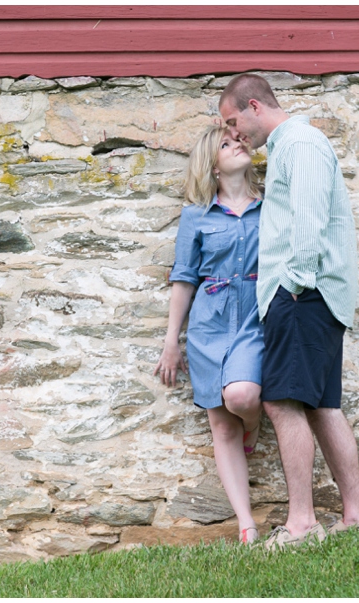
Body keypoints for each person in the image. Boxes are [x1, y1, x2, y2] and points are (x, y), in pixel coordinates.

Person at [218, 73, 359, 551]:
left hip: (302, 295)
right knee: (324, 406)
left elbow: (307, 223)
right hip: (311, 296)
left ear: (253, 106)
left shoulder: (301, 144)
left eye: (233, 121)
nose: (234, 134)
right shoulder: (291, 146)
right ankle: (358, 515)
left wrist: (290, 288)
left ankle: (303, 523)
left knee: (281, 402)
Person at [154, 125, 265, 545]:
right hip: (208, 324)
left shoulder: (268, 208)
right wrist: (171, 341)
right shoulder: (196, 216)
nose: (238, 144)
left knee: (242, 397)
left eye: (239, 140)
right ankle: (247, 525)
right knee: (221, 428)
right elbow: (184, 279)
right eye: (226, 144)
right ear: (213, 165)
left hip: (254, 316)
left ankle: (252, 428)